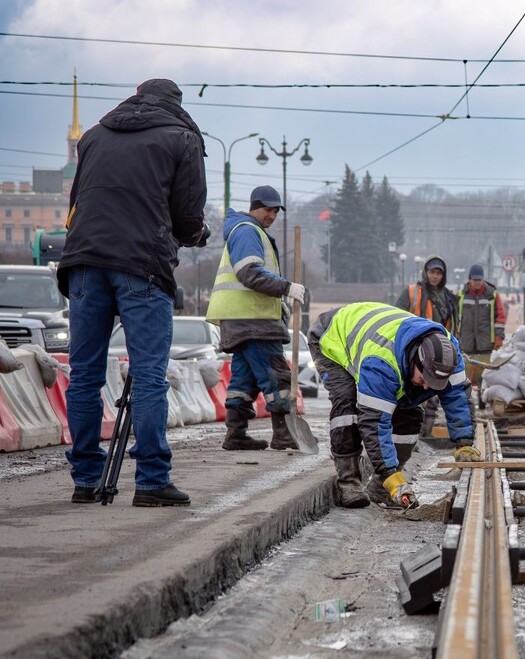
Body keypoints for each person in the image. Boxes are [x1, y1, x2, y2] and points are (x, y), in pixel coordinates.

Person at [57, 78, 209, 507]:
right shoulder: (182, 137)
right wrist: (196, 234)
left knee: (84, 374)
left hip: (83, 261)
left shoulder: (93, 136)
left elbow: (77, 201)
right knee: (147, 375)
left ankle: (86, 479)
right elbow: (187, 217)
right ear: (175, 103)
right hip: (142, 264)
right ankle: (152, 481)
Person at [308, 302, 479, 509]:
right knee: (347, 405)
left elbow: (457, 397)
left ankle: (380, 489)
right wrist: (390, 475)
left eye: (435, 383)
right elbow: (374, 425)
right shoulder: (380, 364)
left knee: (410, 414)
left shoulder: (449, 354)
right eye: (425, 379)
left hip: (377, 333)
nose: (427, 387)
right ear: (416, 361)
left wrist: (464, 443)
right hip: (332, 336)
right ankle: (348, 481)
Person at [206, 185, 306, 451]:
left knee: (244, 379)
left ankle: (235, 434)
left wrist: (279, 305)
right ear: (255, 207)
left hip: (242, 320)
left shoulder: (247, 231)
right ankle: (283, 433)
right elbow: (249, 273)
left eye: (276, 211)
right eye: (268, 210)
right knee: (277, 375)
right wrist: (286, 287)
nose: (272, 216)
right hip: (254, 321)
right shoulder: (248, 231)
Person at [457, 263, 506, 386]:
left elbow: (500, 317)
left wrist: (499, 337)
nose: (477, 283)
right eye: (475, 280)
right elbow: (456, 318)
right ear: (470, 279)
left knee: (484, 374)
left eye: (479, 280)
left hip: (486, 343)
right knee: (465, 374)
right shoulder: (461, 295)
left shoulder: (492, 295)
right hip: (466, 343)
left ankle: (481, 393)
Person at [396, 255, 458, 333]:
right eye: (432, 272)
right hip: (417, 337)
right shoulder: (412, 292)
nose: (435, 276)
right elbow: (397, 315)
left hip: (442, 338)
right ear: (425, 272)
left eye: (438, 273)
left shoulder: (449, 297)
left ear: (443, 275)